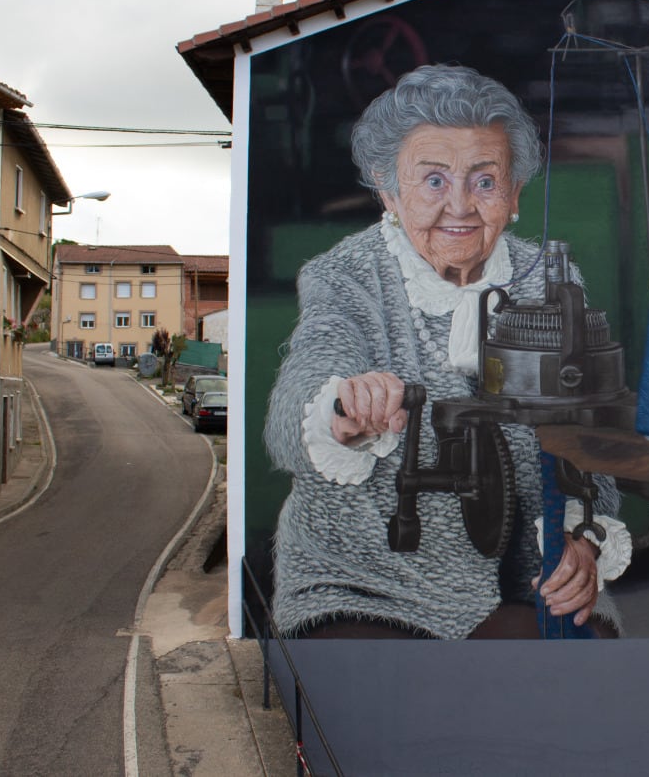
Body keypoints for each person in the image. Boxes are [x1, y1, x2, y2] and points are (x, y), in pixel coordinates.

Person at [264, 64, 629, 640]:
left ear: (513, 196)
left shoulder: (550, 281)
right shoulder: (345, 277)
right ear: (389, 191)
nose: (459, 205)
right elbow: (298, 400)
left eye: (484, 181)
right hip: (365, 588)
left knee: (568, 683)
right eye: (433, 181)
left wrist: (584, 542)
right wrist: (341, 408)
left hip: (524, 584)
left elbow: (586, 444)